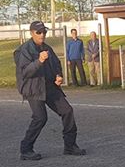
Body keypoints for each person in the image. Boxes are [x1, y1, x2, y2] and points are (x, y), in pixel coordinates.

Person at [14, 21, 86, 159]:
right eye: (39, 32)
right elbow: (25, 72)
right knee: (40, 118)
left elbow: (56, 64)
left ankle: (70, 146)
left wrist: (59, 76)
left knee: (67, 111)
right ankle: (26, 149)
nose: (42, 35)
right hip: (34, 88)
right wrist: (39, 61)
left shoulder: (47, 48)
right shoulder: (24, 50)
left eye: (44, 32)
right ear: (31, 33)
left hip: (50, 87)